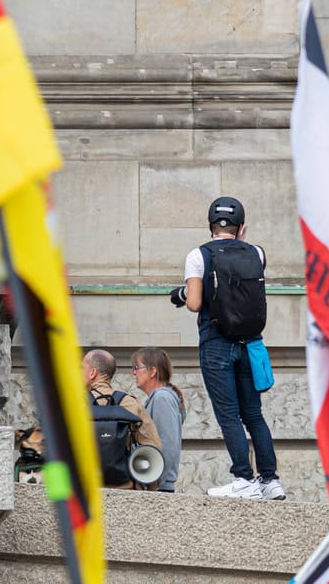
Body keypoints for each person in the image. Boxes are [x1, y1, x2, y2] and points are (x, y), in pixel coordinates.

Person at [174, 196, 283, 500]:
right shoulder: (257, 253)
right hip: (249, 344)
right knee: (254, 415)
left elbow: (195, 302)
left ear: (210, 225)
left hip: (217, 344)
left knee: (229, 416)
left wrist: (181, 293)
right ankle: (270, 481)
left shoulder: (198, 255)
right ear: (241, 227)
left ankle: (243, 478)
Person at [84, 349, 162, 490]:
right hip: (124, 488)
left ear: (92, 373)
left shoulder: (72, 404)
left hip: (83, 489)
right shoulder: (130, 403)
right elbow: (153, 447)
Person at [131, 348, 184, 493]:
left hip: (158, 487)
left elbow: (168, 445)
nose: (134, 372)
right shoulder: (159, 398)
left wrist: (155, 482)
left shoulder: (162, 398)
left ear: (152, 371)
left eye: (137, 367)